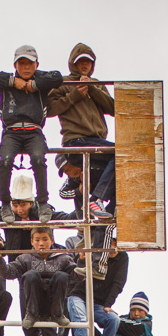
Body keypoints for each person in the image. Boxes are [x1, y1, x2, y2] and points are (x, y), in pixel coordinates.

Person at [0, 46, 64, 223]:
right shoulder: (7, 82)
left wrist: (34, 85)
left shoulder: (41, 81)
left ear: (37, 64)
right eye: (22, 63)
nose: (26, 67)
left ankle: (43, 202)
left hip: (34, 130)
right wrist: (14, 82)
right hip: (11, 131)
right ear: (15, 65)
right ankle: (5, 203)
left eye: (30, 63)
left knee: (38, 158)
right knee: (5, 161)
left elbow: (57, 77)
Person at [47, 42, 116, 217]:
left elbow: (113, 108)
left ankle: (105, 211)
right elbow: (50, 109)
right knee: (118, 153)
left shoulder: (97, 84)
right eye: (80, 61)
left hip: (96, 141)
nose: (84, 65)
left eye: (88, 61)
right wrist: (74, 96)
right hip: (76, 140)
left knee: (122, 162)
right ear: (73, 63)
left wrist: (92, 89)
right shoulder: (63, 83)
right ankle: (97, 200)